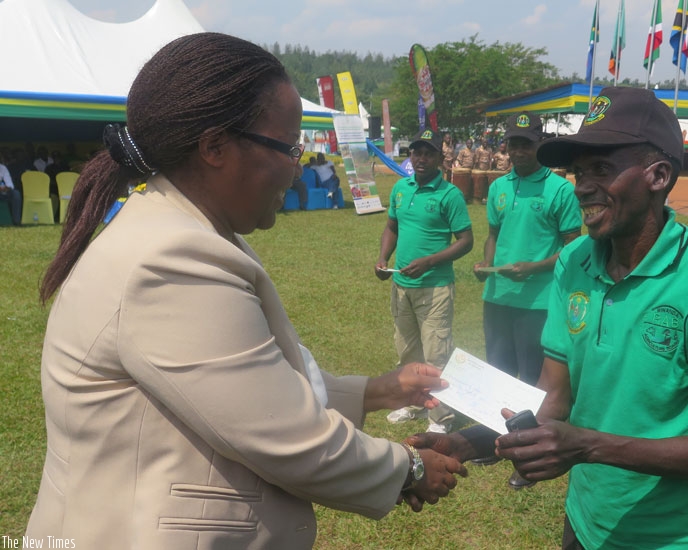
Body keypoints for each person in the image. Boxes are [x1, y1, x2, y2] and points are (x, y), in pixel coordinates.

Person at [26, 33, 467, 550]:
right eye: (289, 147)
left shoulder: (187, 234)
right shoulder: (170, 261)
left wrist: (379, 391)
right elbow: (285, 437)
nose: (297, 165)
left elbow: (259, 385)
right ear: (215, 147)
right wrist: (410, 467)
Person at [409, 87, 688, 550]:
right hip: (585, 521)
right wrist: (468, 444)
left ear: (658, 176)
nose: (581, 186)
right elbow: (555, 398)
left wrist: (586, 446)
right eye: (579, 171)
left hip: (677, 537)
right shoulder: (575, 260)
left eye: (602, 169)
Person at [471, 112, 581, 488]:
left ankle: (530, 459)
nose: (518, 151)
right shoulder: (500, 187)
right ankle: (491, 441)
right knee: (498, 371)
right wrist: (487, 263)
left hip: (539, 300)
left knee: (535, 381)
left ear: (541, 146)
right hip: (498, 295)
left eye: (526, 144)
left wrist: (534, 267)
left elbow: (573, 246)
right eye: (513, 144)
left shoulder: (560, 190)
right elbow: (493, 234)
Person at [375, 128, 474, 434]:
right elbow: (392, 227)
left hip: (435, 287)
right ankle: (414, 403)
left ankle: (441, 418)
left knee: (436, 354)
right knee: (407, 350)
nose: (421, 158)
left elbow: (466, 241)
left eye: (428, 153)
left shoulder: (449, 195)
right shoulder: (401, 189)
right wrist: (383, 259)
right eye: (416, 152)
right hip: (402, 285)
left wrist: (430, 261)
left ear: (440, 159)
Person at [0, 156, 22, 224]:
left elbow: (10, 185)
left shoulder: (2, 168)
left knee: (16, 193)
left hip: (2, 192)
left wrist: (5, 188)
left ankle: (16, 221)